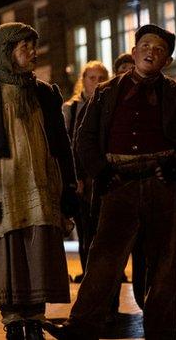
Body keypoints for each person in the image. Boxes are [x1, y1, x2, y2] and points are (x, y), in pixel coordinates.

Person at [44, 25, 176, 340]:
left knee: (164, 266)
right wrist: (100, 170)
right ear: (134, 52)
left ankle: (161, 333)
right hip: (118, 186)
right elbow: (84, 137)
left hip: (163, 187)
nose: (151, 52)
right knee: (103, 260)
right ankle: (81, 328)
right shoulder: (108, 91)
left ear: (167, 60)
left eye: (159, 49)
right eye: (145, 46)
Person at [0, 22, 77, 340]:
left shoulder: (45, 93)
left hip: (40, 181)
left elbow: (61, 143)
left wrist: (69, 184)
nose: (31, 52)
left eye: (31, 45)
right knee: (8, 253)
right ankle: (13, 319)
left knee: (37, 248)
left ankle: (35, 318)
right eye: (22, 47)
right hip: (3, 184)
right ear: (4, 53)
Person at [61, 61, 109, 282]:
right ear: (83, 80)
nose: (97, 83)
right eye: (92, 78)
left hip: (106, 177)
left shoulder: (110, 105)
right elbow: (66, 144)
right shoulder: (71, 108)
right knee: (87, 231)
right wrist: (74, 177)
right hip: (82, 180)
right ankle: (91, 277)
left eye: (102, 78)